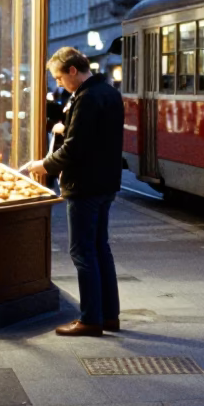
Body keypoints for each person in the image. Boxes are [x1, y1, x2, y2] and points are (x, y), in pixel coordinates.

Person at [25, 46, 124, 337]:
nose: (58, 84)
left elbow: (76, 148)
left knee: (82, 251)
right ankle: (109, 315)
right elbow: (94, 137)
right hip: (105, 183)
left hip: (85, 185)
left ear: (72, 71)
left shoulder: (86, 97)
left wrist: (45, 164)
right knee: (100, 248)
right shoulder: (108, 92)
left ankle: (90, 319)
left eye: (58, 78)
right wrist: (64, 128)